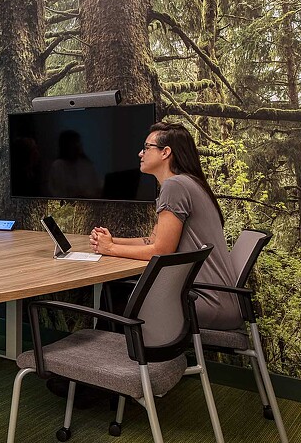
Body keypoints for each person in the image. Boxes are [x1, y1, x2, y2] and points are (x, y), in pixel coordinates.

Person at [88, 121, 240, 330]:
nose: (140, 153)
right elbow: (153, 240)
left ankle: (117, 360)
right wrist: (112, 241)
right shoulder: (188, 182)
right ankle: (126, 359)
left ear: (165, 152)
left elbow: (162, 250)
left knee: (115, 294)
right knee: (116, 291)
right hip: (216, 299)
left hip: (203, 301)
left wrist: (111, 249)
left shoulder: (175, 185)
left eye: (146, 147)